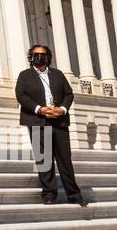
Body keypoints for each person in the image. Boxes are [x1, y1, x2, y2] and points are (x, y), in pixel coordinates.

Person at [15, 44, 87, 206]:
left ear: (48, 57)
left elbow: (69, 94)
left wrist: (62, 110)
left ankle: (74, 195)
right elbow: (21, 95)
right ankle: (49, 194)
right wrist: (40, 109)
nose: (39, 57)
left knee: (65, 159)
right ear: (31, 57)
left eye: (42, 54)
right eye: (35, 55)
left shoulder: (58, 75)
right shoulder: (25, 75)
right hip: (38, 120)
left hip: (58, 120)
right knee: (44, 159)